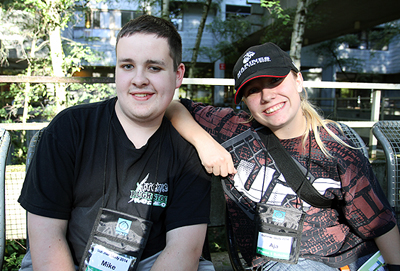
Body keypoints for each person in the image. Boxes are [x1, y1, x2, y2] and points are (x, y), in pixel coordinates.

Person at [166, 42, 400, 270]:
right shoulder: (234, 129)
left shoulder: (335, 144)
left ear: (298, 81)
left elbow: (378, 220)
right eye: (253, 90)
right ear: (245, 101)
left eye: (275, 81)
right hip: (278, 262)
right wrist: (204, 143)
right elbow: (172, 106)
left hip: (350, 257)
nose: (267, 96)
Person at [18, 15, 214, 271]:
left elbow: (184, 249)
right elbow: (46, 239)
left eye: (154, 67)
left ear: (177, 75)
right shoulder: (69, 129)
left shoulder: (188, 150)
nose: (139, 79)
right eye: (127, 66)